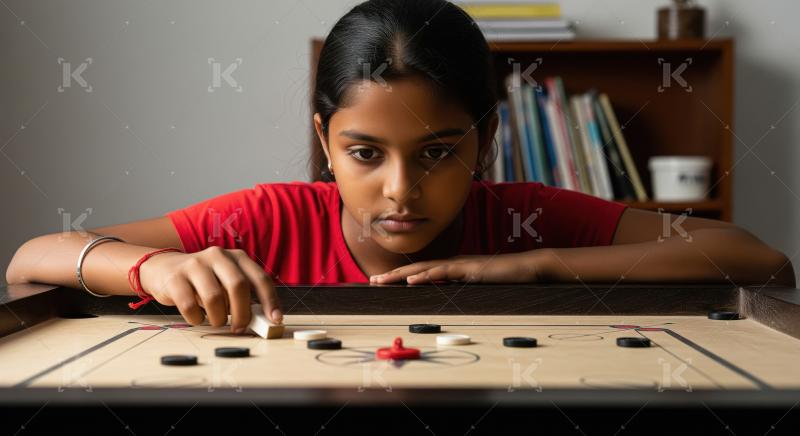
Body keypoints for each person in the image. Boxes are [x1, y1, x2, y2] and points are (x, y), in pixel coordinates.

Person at [5, 0, 794, 334]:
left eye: (439, 153)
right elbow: (30, 259)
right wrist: (153, 268)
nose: (400, 190)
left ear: (485, 138)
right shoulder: (268, 218)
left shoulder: (522, 220)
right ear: (324, 141)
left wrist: (538, 266)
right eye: (364, 153)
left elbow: (757, 259)